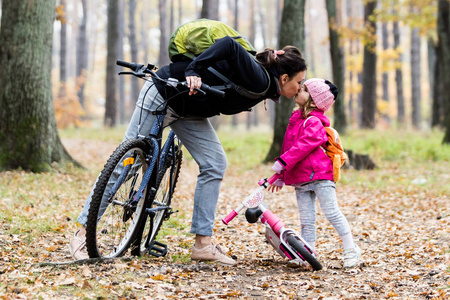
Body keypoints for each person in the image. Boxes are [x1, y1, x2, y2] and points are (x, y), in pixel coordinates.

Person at [69, 35, 308, 266]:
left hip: (188, 111)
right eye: (299, 82)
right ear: (284, 78)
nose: (300, 88)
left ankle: (202, 245)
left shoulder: (266, 86)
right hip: (164, 93)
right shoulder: (261, 78)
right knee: (128, 165)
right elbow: (229, 45)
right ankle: (81, 235)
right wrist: (193, 70)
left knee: (214, 163)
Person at [268, 78, 361, 268]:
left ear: (314, 100)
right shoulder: (296, 121)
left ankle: (351, 249)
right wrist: (280, 176)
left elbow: (304, 146)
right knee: (306, 221)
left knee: (332, 213)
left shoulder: (314, 122)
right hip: (301, 179)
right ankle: (306, 254)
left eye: (303, 90)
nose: (297, 91)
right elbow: (289, 148)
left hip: (319, 176)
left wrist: (282, 163)